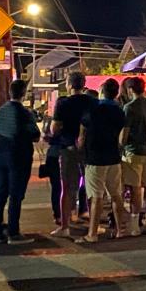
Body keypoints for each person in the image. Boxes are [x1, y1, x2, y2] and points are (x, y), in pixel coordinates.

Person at [76, 78, 128, 244]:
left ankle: (92, 233)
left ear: (102, 91)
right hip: (113, 157)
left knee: (96, 196)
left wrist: (80, 147)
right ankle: (120, 229)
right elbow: (122, 135)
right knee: (116, 195)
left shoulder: (93, 109)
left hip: (95, 157)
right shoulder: (119, 111)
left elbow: (82, 133)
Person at [0, 79, 40, 245]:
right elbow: (35, 135)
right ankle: (13, 232)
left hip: (1, 156)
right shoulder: (25, 114)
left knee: (0, 193)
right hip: (19, 157)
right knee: (16, 195)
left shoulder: (0, 111)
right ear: (23, 93)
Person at [50, 71, 98, 238]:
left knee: (67, 188)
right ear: (84, 84)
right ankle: (94, 225)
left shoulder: (62, 103)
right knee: (92, 188)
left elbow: (55, 128)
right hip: (89, 149)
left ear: (68, 84)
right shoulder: (93, 102)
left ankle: (65, 226)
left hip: (68, 148)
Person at [121, 76, 146, 236]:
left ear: (130, 90)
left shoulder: (129, 107)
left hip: (134, 151)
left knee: (136, 188)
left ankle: (134, 225)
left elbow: (125, 132)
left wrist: (120, 146)